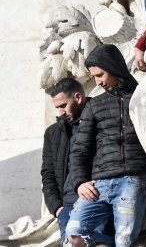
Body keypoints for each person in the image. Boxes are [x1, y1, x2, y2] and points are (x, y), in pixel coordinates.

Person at [66, 45, 146, 247]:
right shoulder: (93, 105)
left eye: (100, 75)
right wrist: (80, 182)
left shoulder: (143, 96)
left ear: (113, 67)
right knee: (74, 235)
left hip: (133, 181)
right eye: (94, 77)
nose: (98, 82)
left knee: (126, 241)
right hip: (97, 185)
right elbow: (80, 149)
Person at [42, 78, 89, 242]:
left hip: (98, 200)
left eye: (63, 106)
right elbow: (47, 174)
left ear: (78, 98)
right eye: (57, 108)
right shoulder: (52, 132)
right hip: (67, 207)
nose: (60, 112)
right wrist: (57, 208)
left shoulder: (100, 118)